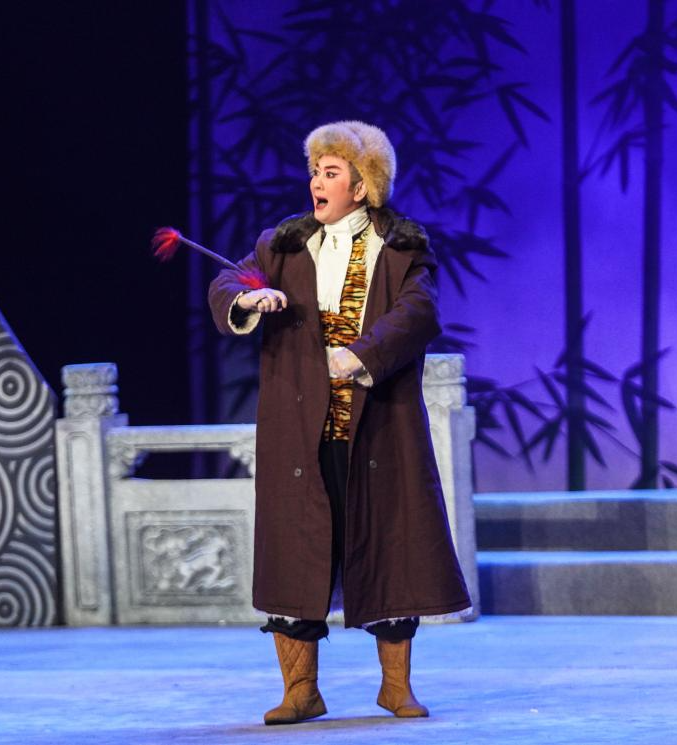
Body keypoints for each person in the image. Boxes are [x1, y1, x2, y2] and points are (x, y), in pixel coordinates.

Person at [208, 120, 470, 725]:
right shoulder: (283, 245)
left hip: (375, 424)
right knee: (295, 552)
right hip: (299, 427)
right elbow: (226, 281)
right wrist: (248, 299)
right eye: (314, 171)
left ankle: (395, 687)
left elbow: (420, 311)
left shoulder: (401, 246)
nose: (315, 182)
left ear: (362, 186)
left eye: (330, 172)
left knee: (390, 547)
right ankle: (301, 691)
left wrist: (361, 354)